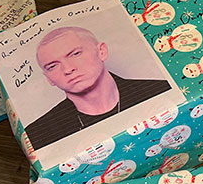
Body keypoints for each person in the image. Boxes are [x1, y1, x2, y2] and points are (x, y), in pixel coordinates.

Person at [25, 26, 170, 149]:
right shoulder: (38, 135)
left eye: (75, 54)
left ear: (102, 51)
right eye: (52, 66)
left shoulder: (160, 90)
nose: (68, 69)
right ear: (48, 78)